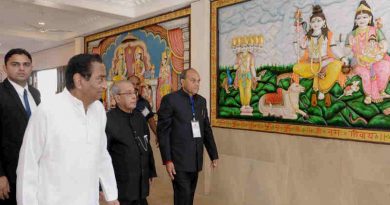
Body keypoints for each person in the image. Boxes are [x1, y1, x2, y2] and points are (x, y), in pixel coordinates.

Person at [16, 54, 119, 205]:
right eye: (100, 79)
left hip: (89, 199)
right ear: (79, 80)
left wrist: (111, 195)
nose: (105, 85)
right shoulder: (48, 110)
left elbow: (101, 154)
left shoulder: (98, 109)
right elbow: (28, 167)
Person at [157, 68, 219, 205]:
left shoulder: (201, 101)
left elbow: (206, 129)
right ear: (182, 81)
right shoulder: (170, 100)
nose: (197, 84)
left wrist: (213, 154)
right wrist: (167, 160)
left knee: (189, 197)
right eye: (193, 80)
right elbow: (163, 132)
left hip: (195, 159)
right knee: (183, 197)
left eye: (198, 81)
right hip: (178, 160)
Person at [106, 80, 157, 205]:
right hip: (122, 186)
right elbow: (101, 155)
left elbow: (146, 144)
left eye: (134, 92)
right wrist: (102, 187)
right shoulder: (108, 120)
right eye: (128, 93)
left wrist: (150, 170)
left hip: (141, 183)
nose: (134, 96)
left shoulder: (139, 117)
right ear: (117, 98)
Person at [0, 48, 40, 205]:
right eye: (15, 64)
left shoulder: (35, 93)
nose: (22, 68)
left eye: (26, 64)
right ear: (5, 67)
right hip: (9, 173)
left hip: (34, 170)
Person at [292, 5, 345, 107]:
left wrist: (342, 57)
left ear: (324, 22)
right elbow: (300, 51)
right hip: (312, 63)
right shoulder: (307, 37)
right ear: (310, 23)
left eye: (318, 21)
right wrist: (297, 40)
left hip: (325, 61)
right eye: (313, 21)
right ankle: (319, 76)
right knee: (296, 67)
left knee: (337, 65)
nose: (315, 23)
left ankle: (322, 88)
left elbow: (334, 48)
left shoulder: (328, 35)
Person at [345, 0, 390, 104]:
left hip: (375, 59)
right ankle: (369, 95)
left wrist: (381, 51)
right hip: (359, 61)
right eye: (359, 18)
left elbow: (383, 43)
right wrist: (350, 46)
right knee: (365, 73)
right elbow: (346, 51)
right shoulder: (351, 34)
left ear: (370, 18)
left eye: (365, 17)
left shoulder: (376, 30)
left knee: (385, 66)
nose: (362, 20)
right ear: (355, 21)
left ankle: (380, 91)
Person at [129, 75, 158, 145]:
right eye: (132, 84)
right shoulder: (122, 102)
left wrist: (157, 134)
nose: (135, 87)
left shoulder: (144, 104)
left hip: (143, 142)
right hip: (128, 142)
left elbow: (150, 119)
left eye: (137, 84)